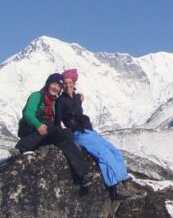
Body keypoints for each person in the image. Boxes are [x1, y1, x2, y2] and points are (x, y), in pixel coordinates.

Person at [55, 68, 138, 200]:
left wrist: (80, 99)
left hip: (88, 130)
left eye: (70, 82)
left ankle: (126, 182)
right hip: (78, 133)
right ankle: (114, 188)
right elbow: (58, 122)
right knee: (103, 154)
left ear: (74, 83)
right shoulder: (60, 101)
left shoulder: (77, 97)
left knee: (114, 151)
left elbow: (77, 103)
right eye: (65, 83)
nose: (68, 85)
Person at [14, 73, 92, 187]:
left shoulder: (55, 102)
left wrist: (78, 99)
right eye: (54, 84)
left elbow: (58, 122)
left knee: (64, 133)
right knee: (47, 123)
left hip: (44, 133)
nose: (55, 88)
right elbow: (27, 113)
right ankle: (21, 147)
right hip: (29, 130)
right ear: (48, 84)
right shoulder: (37, 96)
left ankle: (84, 174)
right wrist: (37, 125)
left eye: (58, 86)